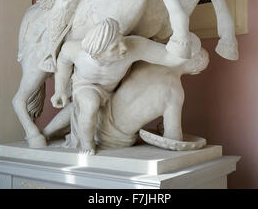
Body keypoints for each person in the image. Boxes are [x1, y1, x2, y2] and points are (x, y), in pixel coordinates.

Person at [51, 18, 200, 154]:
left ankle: (52, 132)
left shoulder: (133, 46)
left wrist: (184, 43)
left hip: (113, 89)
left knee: (87, 110)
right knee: (90, 105)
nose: (123, 48)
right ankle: (86, 144)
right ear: (97, 55)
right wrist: (59, 90)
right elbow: (63, 64)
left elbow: (168, 58)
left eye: (121, 40)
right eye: (115, 47)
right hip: (86, 86)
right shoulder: (74, 50)